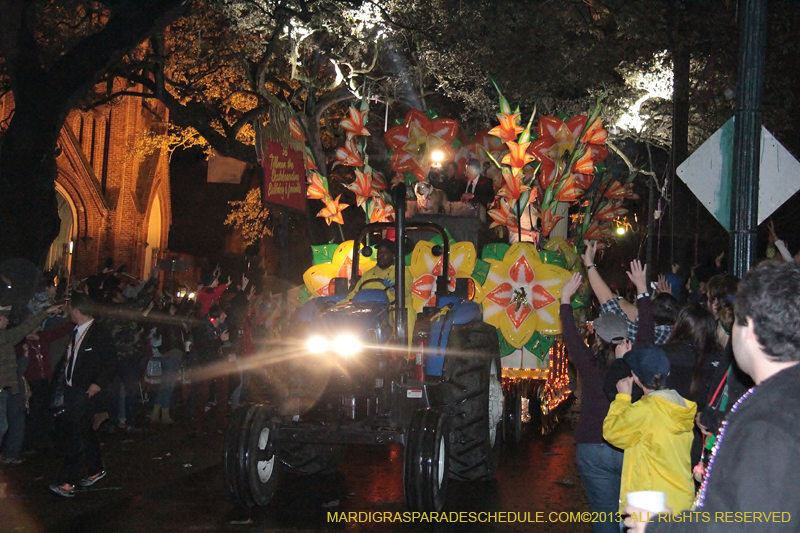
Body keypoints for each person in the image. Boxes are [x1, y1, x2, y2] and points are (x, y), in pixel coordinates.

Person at [627, 260, 800, 532]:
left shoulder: (767, 422)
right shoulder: (783, 397)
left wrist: (656, 526)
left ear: (749, 328)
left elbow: (741, 524)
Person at [604, 344, 697, 515]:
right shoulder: (680, 404)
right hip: (681, 499)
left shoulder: (647, 410)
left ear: (635, 377)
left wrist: (622, 398)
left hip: (651, 503)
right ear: (667, 374)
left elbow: (612, 432)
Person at [49, 294, 117, 497]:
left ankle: (67, 481)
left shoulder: (99, 333)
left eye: (71, 309)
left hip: (85, 391)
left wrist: (98, 384)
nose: (70, 313)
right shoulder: (75, 332)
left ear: (77, 311)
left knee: (76, 436)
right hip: (72, 390)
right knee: (84, 431)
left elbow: (111, 362)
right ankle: (95, 469)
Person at [582, 240, 675, 345]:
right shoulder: (676, 331)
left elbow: (608, 302)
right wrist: (667, 300)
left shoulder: (643, 335)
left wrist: (590, 265)